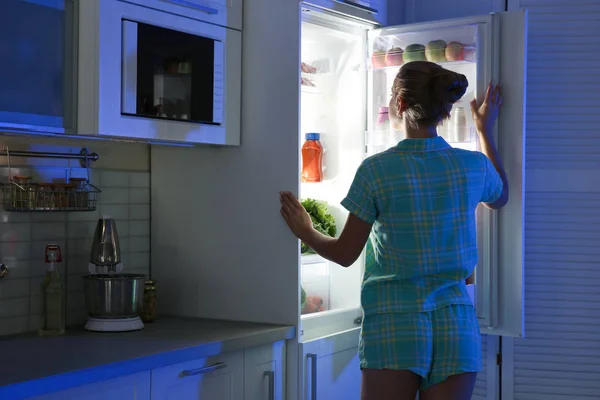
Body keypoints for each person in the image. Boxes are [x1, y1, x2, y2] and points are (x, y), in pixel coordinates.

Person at [280, 60, 508, 400]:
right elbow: (501, 196)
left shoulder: (376, 170)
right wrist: (484, 130)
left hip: (394, 321)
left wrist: (306, 230)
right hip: (456, 323)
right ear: (444, 109)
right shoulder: (472, 166)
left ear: (399, 105)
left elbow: (344, 254)